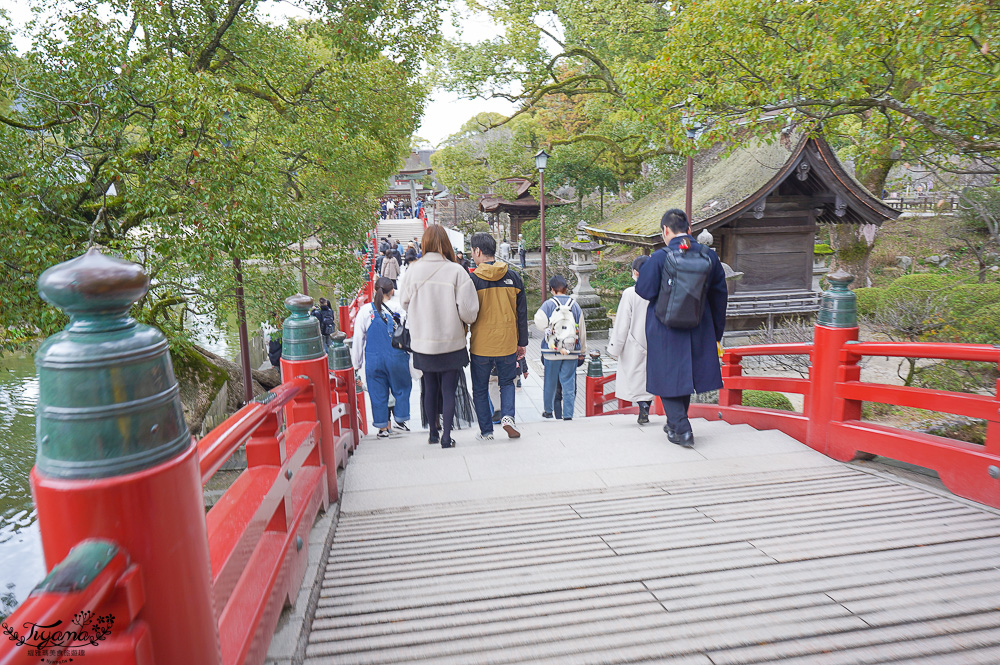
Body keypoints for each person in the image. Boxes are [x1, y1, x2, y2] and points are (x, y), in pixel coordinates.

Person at [635, 208, 728, 448]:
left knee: (666, 376)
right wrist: (715, 333)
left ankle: (683, 428)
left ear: (665, 230)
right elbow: (720, 296)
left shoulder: (659, 257)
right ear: (689, 229)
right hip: (699, 326)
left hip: (665, 327)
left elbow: (643, 290)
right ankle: (674, 423)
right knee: (685, 377)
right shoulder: (709, 256)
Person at [400, 225, 480, 448]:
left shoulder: (413, 270)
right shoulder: (456, 271)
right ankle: (447, 437)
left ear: (424, 244)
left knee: (429, 388)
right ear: (445, 243)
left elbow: (404, 303)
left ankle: (433, 433)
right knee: (448, 389)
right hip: (451, 342)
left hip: (423, 342)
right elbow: (469, 311)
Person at [468, 232, 528, 440]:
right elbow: (522, 314)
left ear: (477, 251)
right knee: (507, 382)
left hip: (481, 345)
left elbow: (467, 313)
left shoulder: (473, 280)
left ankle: (486, 431)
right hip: (507, 342)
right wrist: (522, 343)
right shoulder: (513, 277)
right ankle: (508, 416)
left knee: (480, 388)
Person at [351, 278, 412, 438]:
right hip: (396, 356)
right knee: (402, 387)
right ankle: (400, 415)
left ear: (374, 291)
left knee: (377, 392)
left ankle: (383, 428)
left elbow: (358, 339)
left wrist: (356, 364)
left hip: (374, 358)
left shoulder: (365, 311)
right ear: (392, 291)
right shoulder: (400, 308)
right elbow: (408, 333)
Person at [606, 256, 654, 424]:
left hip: (635, 339)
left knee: (636, 375)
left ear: (635, 272)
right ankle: (646, 404)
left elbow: (622, 323)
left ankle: (643, 406)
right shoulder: (661, 290)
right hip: (656, 341)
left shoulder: (630, 293)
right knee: (651, 376)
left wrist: (614, 348)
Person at [533, 275, 587, 420]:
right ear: (566, 288)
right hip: (571, 350)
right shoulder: (575, 305)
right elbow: (581, 329)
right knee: (568, 382)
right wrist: (582, 351)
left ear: (552, 289)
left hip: (552, 350)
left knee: (550, 381)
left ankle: (548, 411)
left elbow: (539, 322)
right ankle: (568, 414)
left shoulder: (548, 305)